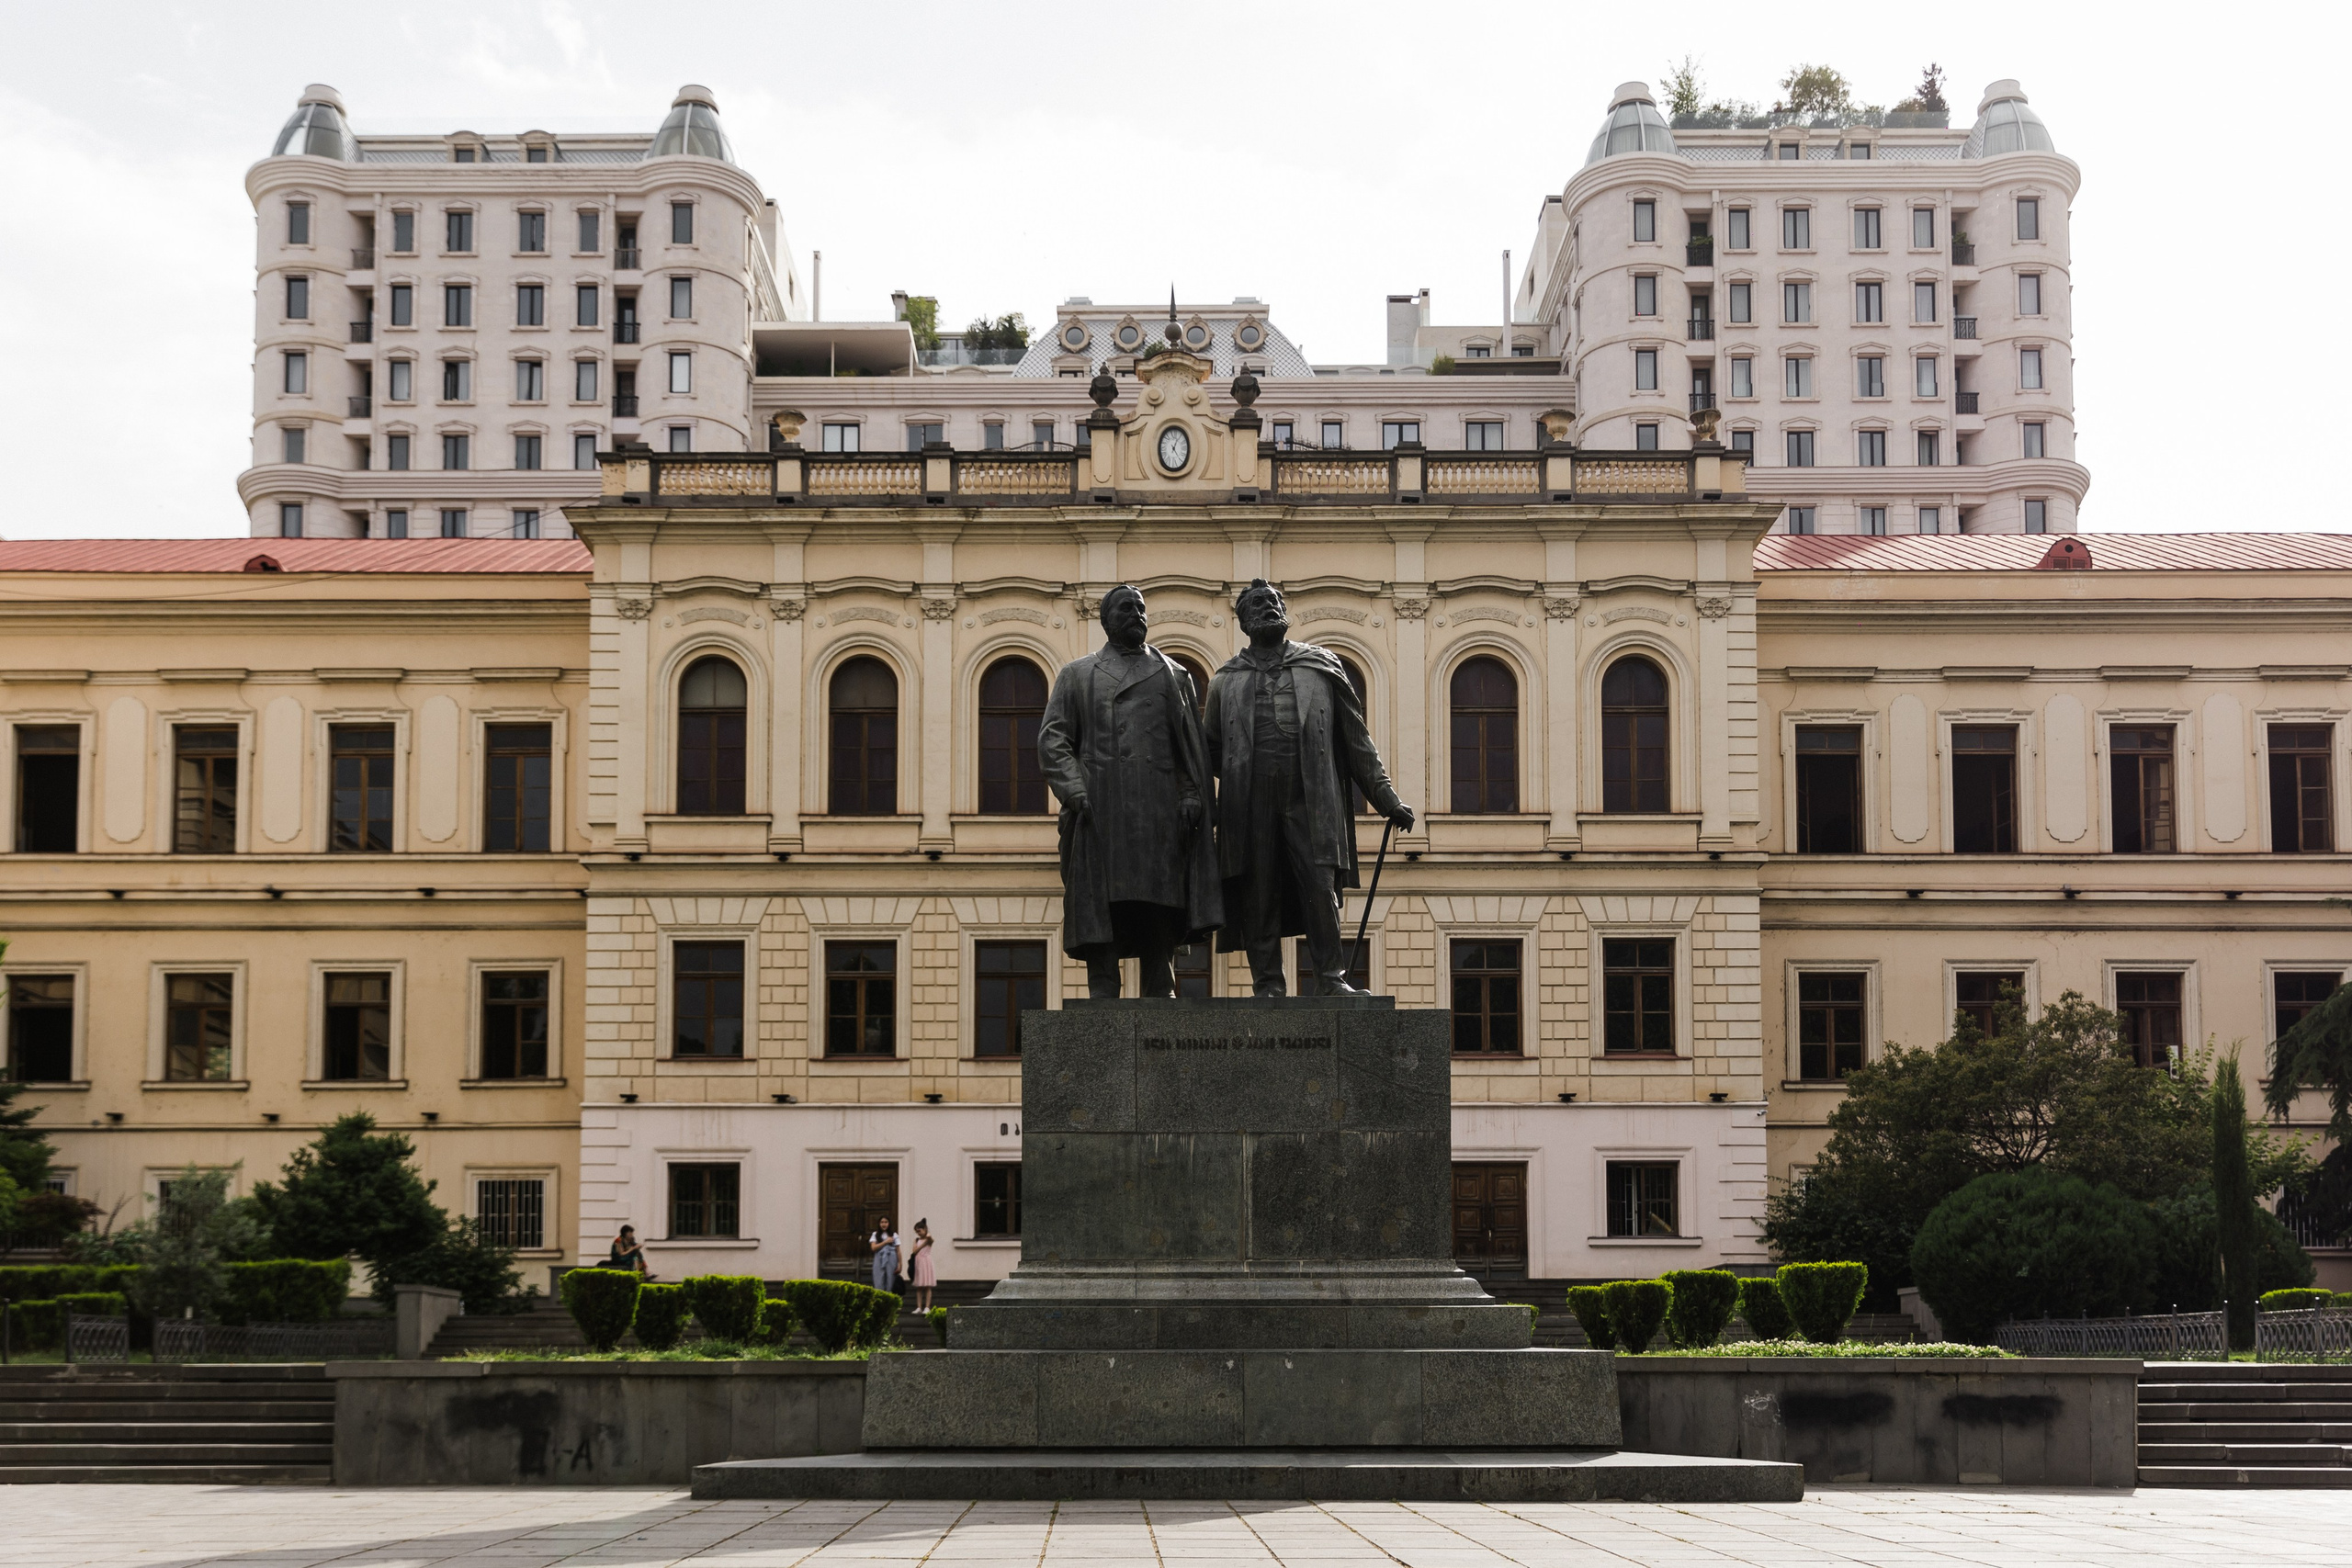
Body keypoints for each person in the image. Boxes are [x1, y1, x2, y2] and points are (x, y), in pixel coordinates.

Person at [1204, 580, 1415, 997]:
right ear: (1244, 621)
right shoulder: (1224, 680)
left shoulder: (1321, 666)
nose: (1268, 608)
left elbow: (1356, 740)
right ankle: (1267, 983)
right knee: (1257, 888)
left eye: (1274, 602)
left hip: (1311, 794)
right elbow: (1209, 749)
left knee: (1319, 886)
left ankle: (1330, 979)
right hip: (1249, 800)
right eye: (1258, 605)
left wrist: (1387, 798)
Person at [1036, 583, 1223, 997]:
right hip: (1099, 810)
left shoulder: (1174, 675)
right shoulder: (1078, 674)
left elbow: (1190, 747)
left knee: (1159, 905)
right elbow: (1054, 740)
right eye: (1125, 609)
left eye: (1141, 608)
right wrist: (1074, 790)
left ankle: (1161, 987)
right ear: (1105, 621)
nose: (1137, 614)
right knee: (1101, 905)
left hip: (1159, 811)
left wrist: (1193, 794)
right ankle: (1103, 992)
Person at [906, 1218, 936, 1312]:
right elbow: (914, 1251)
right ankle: (919, 1307)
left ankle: (927, 1307)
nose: (918, 1233)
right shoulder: (917, 1240)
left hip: (926, 1262)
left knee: (927, 1285)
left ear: (924, 1229)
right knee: (919, 1286)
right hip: (918, 1263)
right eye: (917, 1231)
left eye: (920, 1231)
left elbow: (931, 1239)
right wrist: (923, 1245)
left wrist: (927, 1236)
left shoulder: (929, 1239)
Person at [867, 1217, 900, 1295]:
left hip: (891, 1257)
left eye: (886, 1222)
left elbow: (898, 1251)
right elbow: (873, 1247)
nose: (884, 1224)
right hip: (879, 1258)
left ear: (889, 1224)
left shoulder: (894, 1235)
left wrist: (900, 1264)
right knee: (879, 1279)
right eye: (882, 1222)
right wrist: (885, 1242)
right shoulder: (875, 1234)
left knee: (890, 1279)